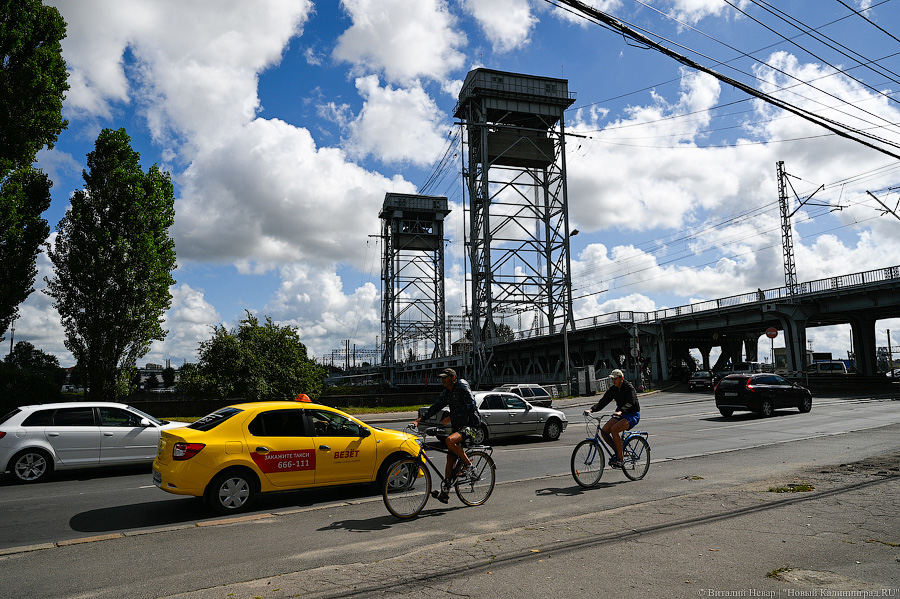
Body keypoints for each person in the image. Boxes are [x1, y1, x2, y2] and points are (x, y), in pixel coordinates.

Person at [413, 368, 481, 503]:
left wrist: (450, 416)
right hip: (457, 426)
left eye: (446, 377)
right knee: (450, 459)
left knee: (450, 440)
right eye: (442, 378)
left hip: (471, 426)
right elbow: (436, 407)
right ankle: (445, 493)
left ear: (453, 378)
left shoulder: (462, 386)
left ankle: (469, 466)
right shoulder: (446, 393)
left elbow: (471, 405)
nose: (443, 380)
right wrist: (419, 420)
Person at [584, 369, 640, 468]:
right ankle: (618, 453)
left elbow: (631, 402)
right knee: (604, 431)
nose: (614, 381)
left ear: (621, 378)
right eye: (612, 379)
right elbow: (604, 401)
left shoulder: (628, 387)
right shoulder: (613, 389)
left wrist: (621, 411)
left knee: (614, 429)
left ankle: (621, 460)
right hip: (621, 414)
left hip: (632, 414)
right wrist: (592, 410)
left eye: (615, 379)